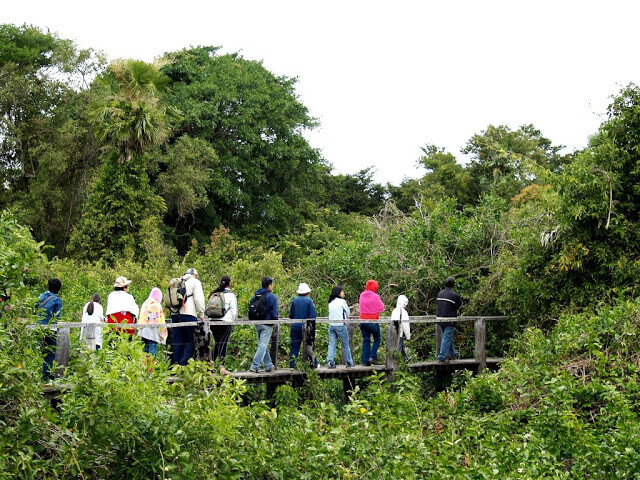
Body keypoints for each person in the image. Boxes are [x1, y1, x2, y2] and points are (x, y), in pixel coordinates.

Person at [172, 268, 206, 366]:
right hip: (188, 313)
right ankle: (183, 364)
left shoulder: (178, 281)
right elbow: (199, 299)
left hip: (175, 314)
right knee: (191, 339)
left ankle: (176, 365)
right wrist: (202, 314)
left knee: (178, 340)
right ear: (194, 274)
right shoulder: (195, 282)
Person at [249, 276, 278, 373]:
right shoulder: (271, 297)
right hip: (266, 323)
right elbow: (274, 313)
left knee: (262, 344)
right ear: (269, 286)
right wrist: (274, 321)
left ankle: (268, 365)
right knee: (263, 345)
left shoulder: (255, 296)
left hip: (257, 323)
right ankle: (255, 366)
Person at [210, 275, 237, 375]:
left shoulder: (215, 293)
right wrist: (233, 321)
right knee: (223, 343)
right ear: (229, 283)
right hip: (225, 321)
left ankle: (211, 364)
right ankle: (222, 366)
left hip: (213, 321)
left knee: (217, 343)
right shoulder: (230, 295)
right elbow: (234, 311)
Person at [36, 278, 62, 382]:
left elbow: (35, 308)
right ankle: (46, 377)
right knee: (50, 352)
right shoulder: (57, 300)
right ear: (59, 289)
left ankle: (44, 374)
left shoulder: (41, 296)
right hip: (50, 329)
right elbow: (57, 316)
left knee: (43, 352)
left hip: (38, 328)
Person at [288, 282, 317, 368]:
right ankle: (313, 364)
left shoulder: (294, 300)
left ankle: (292, 365)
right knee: (309, 346)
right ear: (307, 292)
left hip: (295, 326)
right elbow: (312, 316)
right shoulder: (309, 301)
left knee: (294, 347)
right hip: (306, 328)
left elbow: (291, 315)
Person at [326, 286, 355, 368]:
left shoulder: (330, 302)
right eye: (342, 292)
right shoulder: (342, 301)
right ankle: (349, 362)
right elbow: (348, 312)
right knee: (345, 344)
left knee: (332, 344)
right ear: (338, 293)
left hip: (331, 325)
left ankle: (330, 362)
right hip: (340, 325)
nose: (343, 293)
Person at [359, 279, 385, 366]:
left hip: (362, 321)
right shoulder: (375, 296)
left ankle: (365, 361)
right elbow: (381, 307)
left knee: (366, 340)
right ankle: (373, 357)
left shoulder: (362, 295)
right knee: (377, 339)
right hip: (372, 321)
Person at [436, 276, 462, 363]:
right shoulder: (454, 295)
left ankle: (453, 353)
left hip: (439, 318)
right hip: (449, 319)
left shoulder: (440, 293)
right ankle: (442, 357)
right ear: (453, 285)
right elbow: (459, 305)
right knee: (447, 337)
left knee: (447, 336)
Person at [138, 287, 167, 357]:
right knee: (152, 351)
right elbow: (160, 319)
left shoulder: (145, 303)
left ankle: (144, 365)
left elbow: (141, 316)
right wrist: (163, 332)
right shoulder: (157, 305)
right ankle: (151, 367)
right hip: (152, 332)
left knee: (145, 350)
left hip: (143, 331)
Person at [391, 295, 411, 361]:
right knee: (399, 349)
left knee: (396, 349)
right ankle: (400, 362)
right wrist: (408, 337)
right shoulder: (404, 312)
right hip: (399, 334)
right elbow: (406, 325)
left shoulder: (394, 311)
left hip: (392, 334)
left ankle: (405, 358)